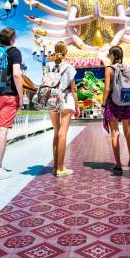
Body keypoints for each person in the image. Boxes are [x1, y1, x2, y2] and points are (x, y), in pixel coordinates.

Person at [0, 27, 24, 181]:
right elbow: (16, 74)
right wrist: (20, 97)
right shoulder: (14, 52)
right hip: (8, 96)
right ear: (13, 39)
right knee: (2, 131)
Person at [102, 46, 130, 174]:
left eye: (109, 53)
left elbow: (106, 89)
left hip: (113, 103)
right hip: (126, 102)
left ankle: (118, 165)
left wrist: (103, 105)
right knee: (128, 133)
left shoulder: (109, 69)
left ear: (112, 55)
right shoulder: (127, 68)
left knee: (115, 133)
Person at [48, 41, 79, 176]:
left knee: (56, 133)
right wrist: (77, 107)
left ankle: (55, 166)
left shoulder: (49, 66)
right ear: (66, 52)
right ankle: (61, 168)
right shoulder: (69, 68)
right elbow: (73, 89)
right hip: (65, 100)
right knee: (63, 134)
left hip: (51, 100)